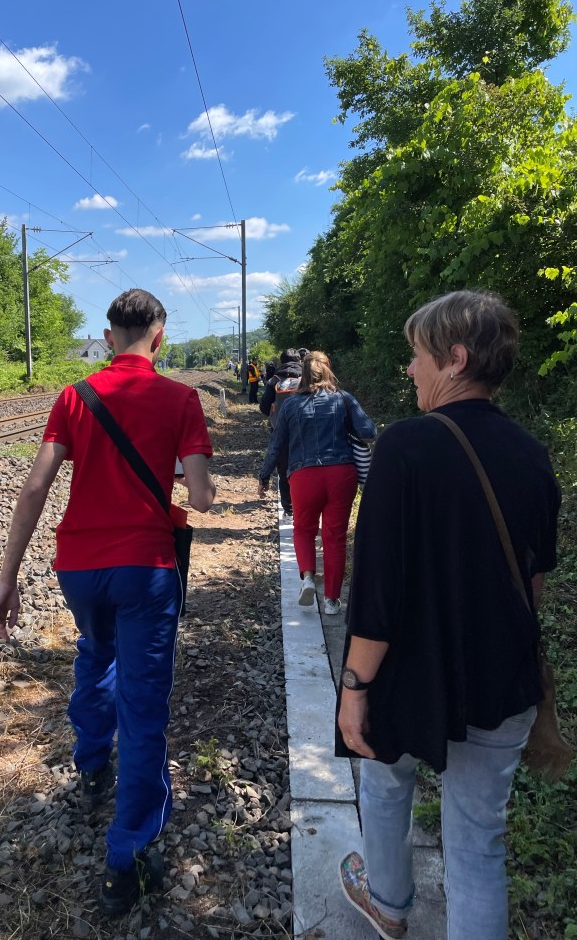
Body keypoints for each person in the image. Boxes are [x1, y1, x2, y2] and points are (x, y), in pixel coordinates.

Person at [336, 290, 561, 940]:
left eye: (417, 355)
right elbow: (533, 584)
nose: (410, 369)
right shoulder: (531, 453)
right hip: (501, 677)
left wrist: (354, 687)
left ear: (455, 358)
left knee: (385, 786)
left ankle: (387, 903)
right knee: (478, 843)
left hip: (408, 674)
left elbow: (377, 591)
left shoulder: (405, 446)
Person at [0, 289, 216, 917]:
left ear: (110, 338)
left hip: (79, 568)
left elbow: (35, 489)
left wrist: (7, 578)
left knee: (95, 654)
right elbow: (200, 498)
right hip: (144, 569)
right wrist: (195, 482)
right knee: (143, 706)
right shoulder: (180, 399)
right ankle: (127, 859)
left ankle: (91, 768)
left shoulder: (74, 396)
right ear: (159, 337)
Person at [257, 351, 375, 612]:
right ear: (328, 370)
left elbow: (276, 445)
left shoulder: (291, 405)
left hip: (304, 475)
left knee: (303, 529)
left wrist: (264, 476)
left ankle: (308, 577)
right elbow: (369, 431)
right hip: (341, 474)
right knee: (335, 536)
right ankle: (332, 601)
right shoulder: (343, 399)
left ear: (304, 374)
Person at [259, 347, 303, 517]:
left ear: (281, 362)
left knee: (284, 469)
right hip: (305, 430)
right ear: (299, 361)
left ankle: (289, 509)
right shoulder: (307, 378)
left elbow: (264, 407)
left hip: (280, 429)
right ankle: (304, 505)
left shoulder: (274, 380)